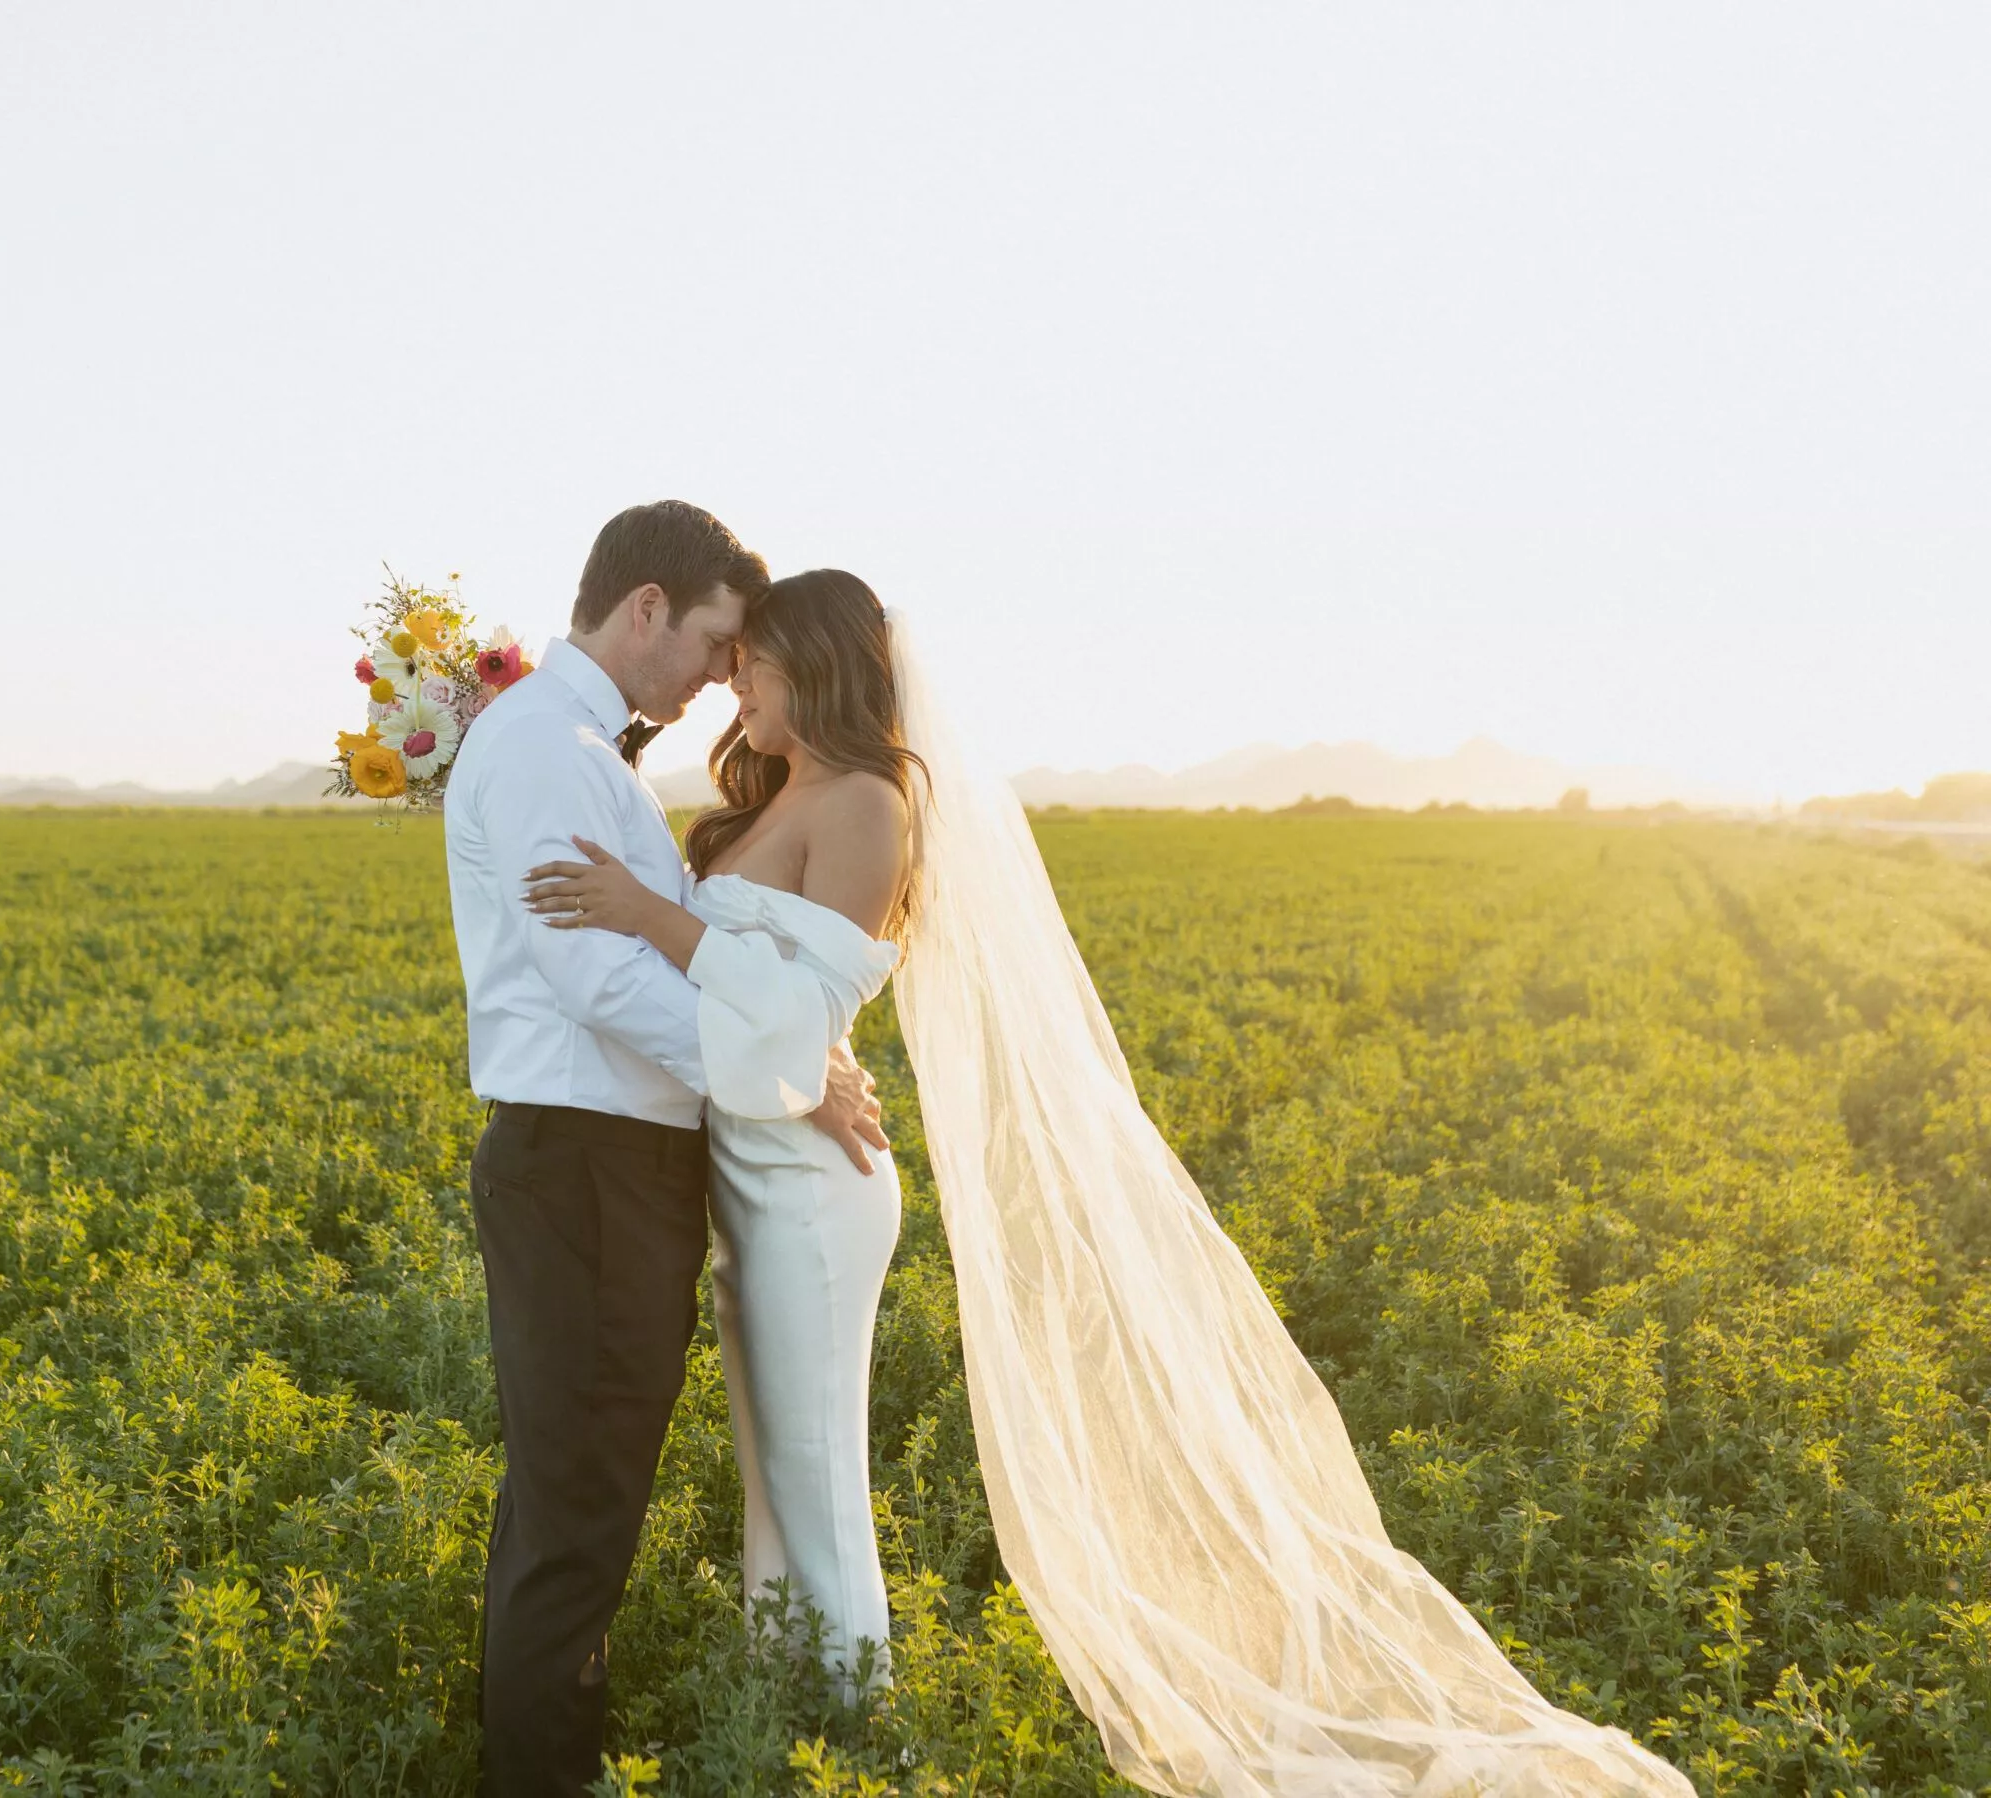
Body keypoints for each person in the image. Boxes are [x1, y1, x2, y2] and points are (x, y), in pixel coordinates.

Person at [524, 578, 1700, 1797]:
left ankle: (853, 1744)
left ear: (816, 668)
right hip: (752, 1172)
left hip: (813, 1196)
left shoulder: (871, 805)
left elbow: (790, 1017)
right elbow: (771, 1029)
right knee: (777, 1476)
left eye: (753, 661)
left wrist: (649, 916)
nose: (733, 682)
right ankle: (789, 1712)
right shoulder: (778, 795)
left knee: (819, 1479)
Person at [441, 503, 887, 1798]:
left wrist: (792, 1043)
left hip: (616, 1164)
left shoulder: (584, 746)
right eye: (711, 642)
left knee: (573, 1500)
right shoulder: (544, 746)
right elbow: (595, 980)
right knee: (577, 1514)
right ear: (647, 609)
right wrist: (780, 1071)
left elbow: (684, 953)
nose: (718, 677)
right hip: (584, 1164)